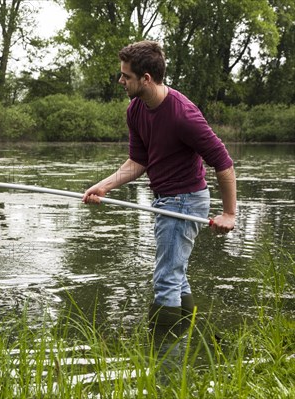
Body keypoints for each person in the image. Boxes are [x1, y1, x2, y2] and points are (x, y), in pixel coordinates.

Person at [82, 40, 237, 333]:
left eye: (126, 75)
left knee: (165, 279)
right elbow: (138, 162)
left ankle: (164, 363)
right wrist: (104, 186)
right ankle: (190, 341)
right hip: (165, 200)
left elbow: (223, 161)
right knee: (175, 275)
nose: (120, 80)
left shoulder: (183, 114)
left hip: (185, 201)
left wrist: (229, 213)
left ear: (146, 79)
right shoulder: (136, 110)